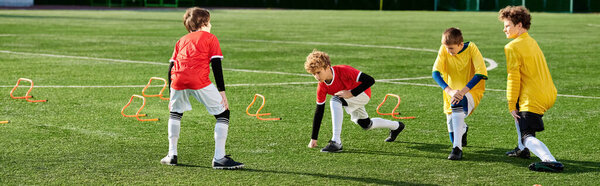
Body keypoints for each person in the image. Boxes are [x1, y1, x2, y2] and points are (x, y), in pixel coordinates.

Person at [159, 7, 243, 169]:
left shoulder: (181, 40)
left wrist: (171, 94)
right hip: (198, 80)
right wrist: (222, 92)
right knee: (223, 113)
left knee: (175, 112)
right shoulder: (210, 38)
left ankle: (172, 154)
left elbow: (171, 67)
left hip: (177, 79)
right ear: (204, 23)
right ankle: (219, 158)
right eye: (209, 21)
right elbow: (216, 65)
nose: (211, 25)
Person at [499, 6, 563, 172]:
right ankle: (522, 149)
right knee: (520, 116)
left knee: (527, 133)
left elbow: (513, 78)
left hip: (533, 96)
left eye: (507, 25)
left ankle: (549, 160)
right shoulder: (531, 40)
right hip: (548, 92)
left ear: (519, 25)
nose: (504, 29)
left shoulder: (512, 47)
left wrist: (511, 103)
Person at [304, 49, 405, 153]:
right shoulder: (321, 86)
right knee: (366, 124)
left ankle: (336, 142)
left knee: (335, 100)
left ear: (327, 67)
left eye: (318, 72)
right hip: (350, 99)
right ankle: (397, 126)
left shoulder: (344, 70)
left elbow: (370, 80)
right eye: (313, 74)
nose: (316, 77)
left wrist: (351, 93)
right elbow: (319, 111)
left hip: (362, 93)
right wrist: (313, 138)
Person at [432, 27, 488, 160]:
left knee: (458, 102)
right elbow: (435, 73)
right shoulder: (444, 49)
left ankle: (457, 149)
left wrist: (462, 92)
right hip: (450, 94)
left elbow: (480, 73)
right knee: (453, 133)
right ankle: (463, 129)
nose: (448, 51)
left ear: (460, 45)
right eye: (446, 48)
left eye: (451, 48)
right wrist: (450, 91)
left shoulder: (472, 48)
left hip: (471, 92)